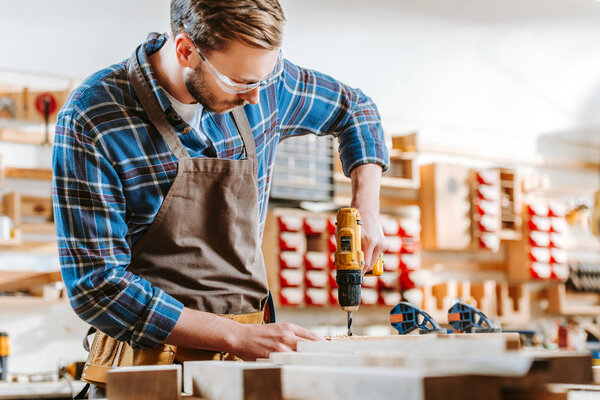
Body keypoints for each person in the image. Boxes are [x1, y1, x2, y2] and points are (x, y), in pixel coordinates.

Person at [52, 0, 389, 394]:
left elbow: (357, 111)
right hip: (149, 373)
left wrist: (367, 203)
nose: (256, 98)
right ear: (186, 50)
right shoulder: (95, 117)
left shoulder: (266, 84)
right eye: (241, 82)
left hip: (249, 367)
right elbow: (98, 287)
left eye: (263, 78)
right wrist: (235, 337)